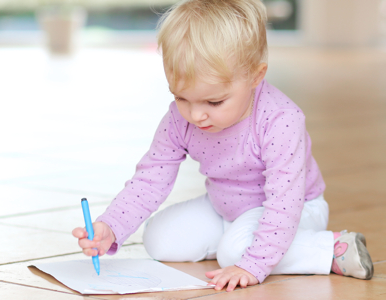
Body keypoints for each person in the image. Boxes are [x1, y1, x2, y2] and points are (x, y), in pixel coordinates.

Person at [72, 0, 374, 292]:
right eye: (181, 97)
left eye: (214, 101)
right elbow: (150, 179)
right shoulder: (179, 118)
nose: (196, 114)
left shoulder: (281, 120)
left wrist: (252, 265)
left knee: (237, 253)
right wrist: (111, 226)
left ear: (256, 75)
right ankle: (241, 239)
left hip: (295, 208)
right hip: (225, 206)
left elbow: (284, 202)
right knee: (159, 240)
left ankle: (330, 248)